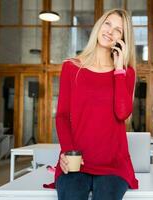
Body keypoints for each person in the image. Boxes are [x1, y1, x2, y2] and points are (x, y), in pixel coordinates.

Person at [55, 8, 138, 200]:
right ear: (99, 25)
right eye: (108, 24)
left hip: (113, 163)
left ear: (123, 39)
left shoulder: (126, 72)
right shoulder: (71, 68)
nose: (110, 31)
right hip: (76, 161)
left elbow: (122, 113)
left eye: (118, 30)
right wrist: (67, 151)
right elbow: (62, 116)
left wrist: (118, 70)